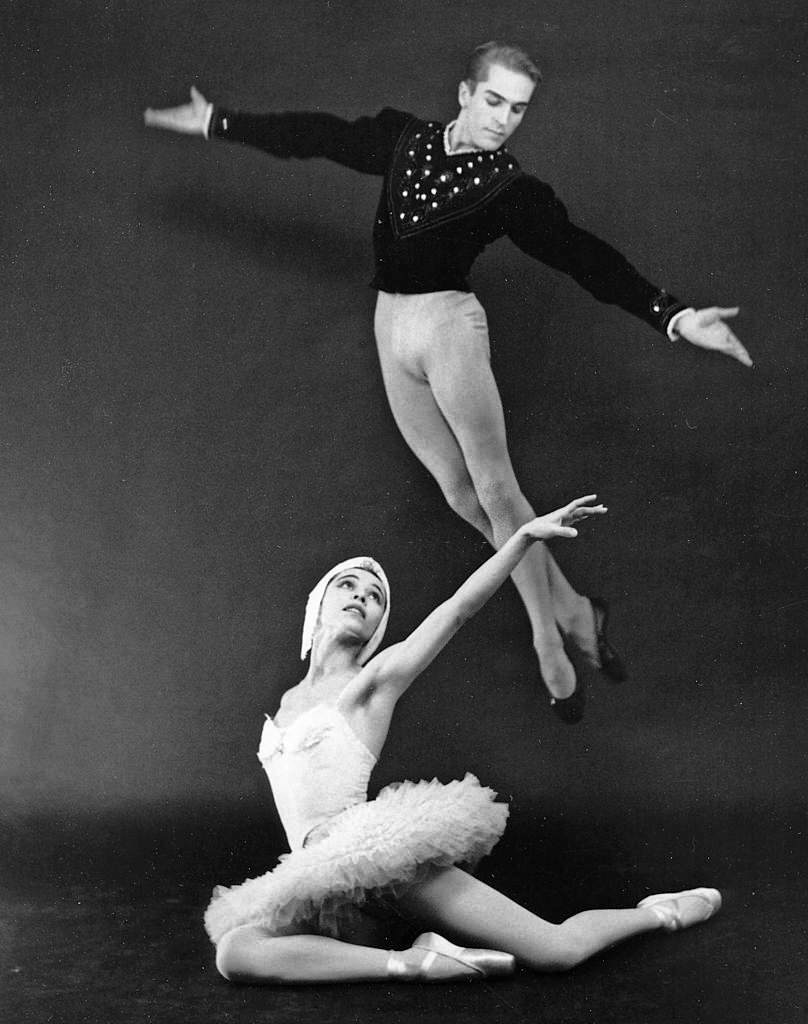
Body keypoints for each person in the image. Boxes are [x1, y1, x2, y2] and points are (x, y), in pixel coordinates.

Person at [143, 42, 753, 721]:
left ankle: (548, 639)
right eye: (493, 101)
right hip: (390, 327)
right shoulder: (403, 139)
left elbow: (582, 254)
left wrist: (673, 315)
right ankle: (579, 610)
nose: (502, 120)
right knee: (463, 497)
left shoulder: (511, 190)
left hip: (448, 329)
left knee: (498, 490)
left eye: (517, 110)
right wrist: (218, 122)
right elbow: (318, 136)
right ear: (465, 93)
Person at [203, 496, 721, 985]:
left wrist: (519, 540)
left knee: (555, 951)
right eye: (349, 586)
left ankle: (659, 913)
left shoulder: (372, 682)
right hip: (320, 884)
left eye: (375, 596)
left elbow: (456, 609)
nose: (361, 597)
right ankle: (411, 963)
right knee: (236, 951)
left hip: (377, 861)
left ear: (380, 624)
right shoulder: (289, 700)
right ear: (318, 602)